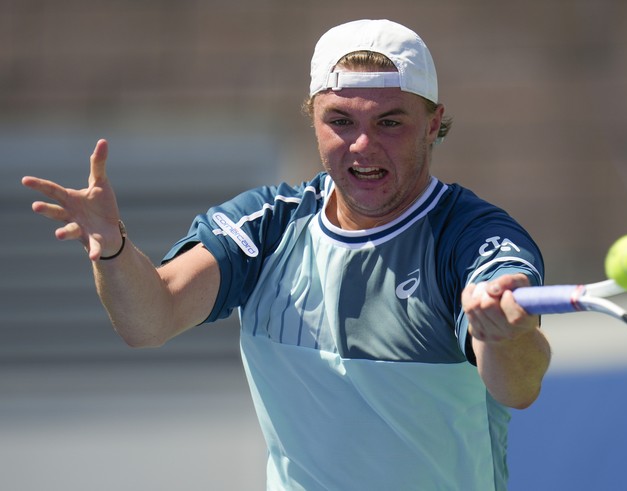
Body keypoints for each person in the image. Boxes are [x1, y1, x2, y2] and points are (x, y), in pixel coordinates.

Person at [22, 19, 550, 490]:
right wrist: (112, 248)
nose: (363, 145)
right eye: (340, 121)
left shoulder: (471, 235)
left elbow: (518, 386)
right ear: (313, 121)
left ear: (433, 124)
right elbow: (151, 319)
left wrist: (504, 334)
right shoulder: (268, 225)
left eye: (390, 122)